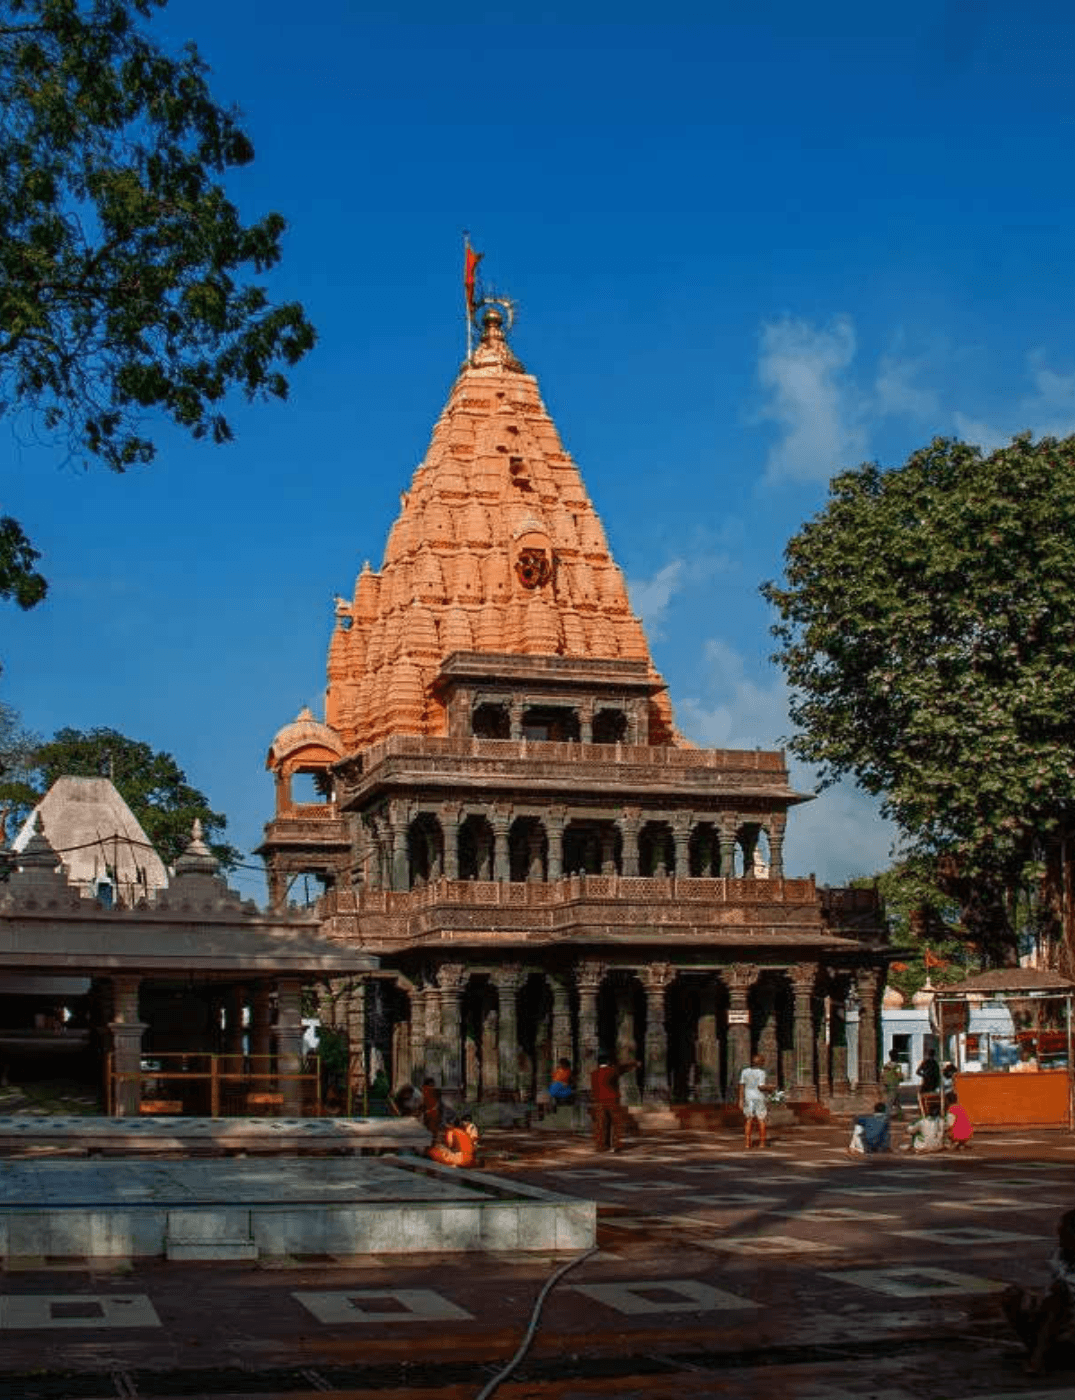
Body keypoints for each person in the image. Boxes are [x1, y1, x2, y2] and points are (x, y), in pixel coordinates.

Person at [1002, 1208, 1075, 1374]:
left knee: (1058, 1297)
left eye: (1066, 1232)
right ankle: (1039, 1350)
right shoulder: (1062, 1256)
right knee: (1013, 1295)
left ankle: (1037, 1360)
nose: (1060, 1236)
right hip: (1063, 1327)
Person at [590, 1050, 638, 1153]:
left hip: (599, 1101)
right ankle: (616, 1145)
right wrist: (633, 1064)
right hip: (612, 1100)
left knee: (601, 1124)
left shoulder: (594, 1073)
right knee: (616, 1123)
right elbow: (622, 1069)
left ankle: (601, 1145)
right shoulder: (611, 1071)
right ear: (608, 1062)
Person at [739, 1053, 768, 1149]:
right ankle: (762, 1143)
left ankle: (747, 1143)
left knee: (748, 1120)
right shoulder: (761, 1072)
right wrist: (771, 1088)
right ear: (761, 1063)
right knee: (761, 1120)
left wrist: (740, 1099)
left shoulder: (745, 1071)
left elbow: (741, 1085)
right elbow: (761, 1086)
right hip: (758, 1097)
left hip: (748, 1097)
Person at [915, 1047, 941, 1115]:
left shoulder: (926, 1062)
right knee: (930, 1098)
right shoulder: (935, 1064)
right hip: (932, 1083)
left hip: (927, 1083)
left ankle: (922, 1110)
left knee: (922, 1097)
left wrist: (924, 1075)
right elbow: (938, 1075)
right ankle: (927, 1110)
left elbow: (917, 1072)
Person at [881, 1053, 904, 1119]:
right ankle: (887, 1115)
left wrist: (884, 1083)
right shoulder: (897, 1067)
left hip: (887, 1084)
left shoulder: (886, 1066)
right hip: (894, 1085)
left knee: (896, 1101)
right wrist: (901, 1078)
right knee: (890, 1101)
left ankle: (900, 1114)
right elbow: (899, 1076)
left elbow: (883, 1075)